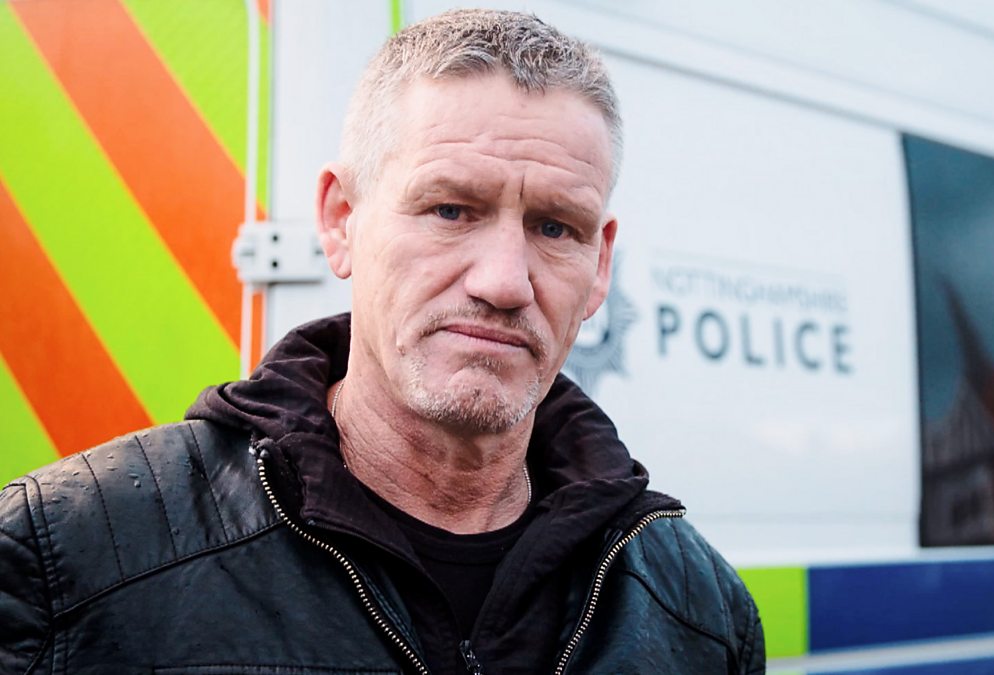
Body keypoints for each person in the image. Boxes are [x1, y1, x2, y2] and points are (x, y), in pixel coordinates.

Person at [0, 9, 764, 674]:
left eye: (555, 227)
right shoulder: (66, 564)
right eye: (451, 210)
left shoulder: (702, 614)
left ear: (600, 266)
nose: (504, 281)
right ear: (341, 220)